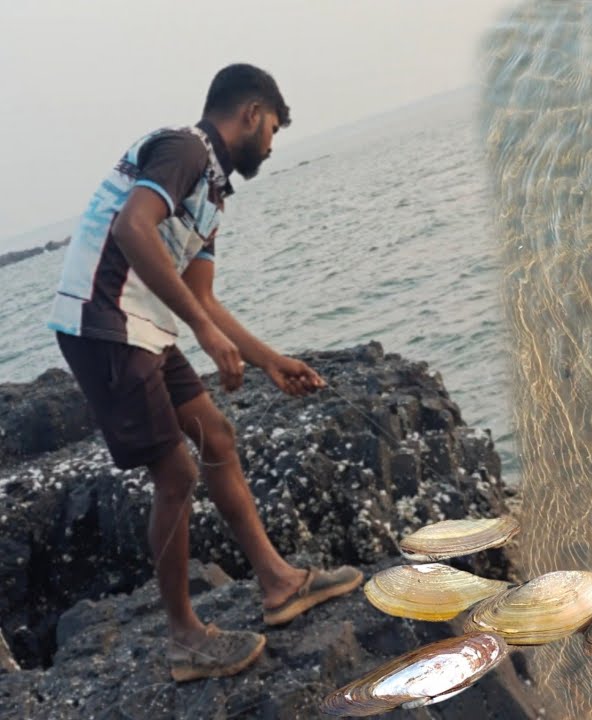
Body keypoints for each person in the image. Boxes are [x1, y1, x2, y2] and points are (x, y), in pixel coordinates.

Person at [48, 64, 363, 682]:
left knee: (216, 436)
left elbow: (203, 298)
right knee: (176, 473)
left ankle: (279, 584)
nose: (270, 146)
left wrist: (269, 360)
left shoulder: (211, 195)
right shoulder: (184, 149)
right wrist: (201, 331)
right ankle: (184, 639)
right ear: (251, 114)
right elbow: (131, 226)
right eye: (272, 130)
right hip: (103, 323)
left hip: (142, 325)